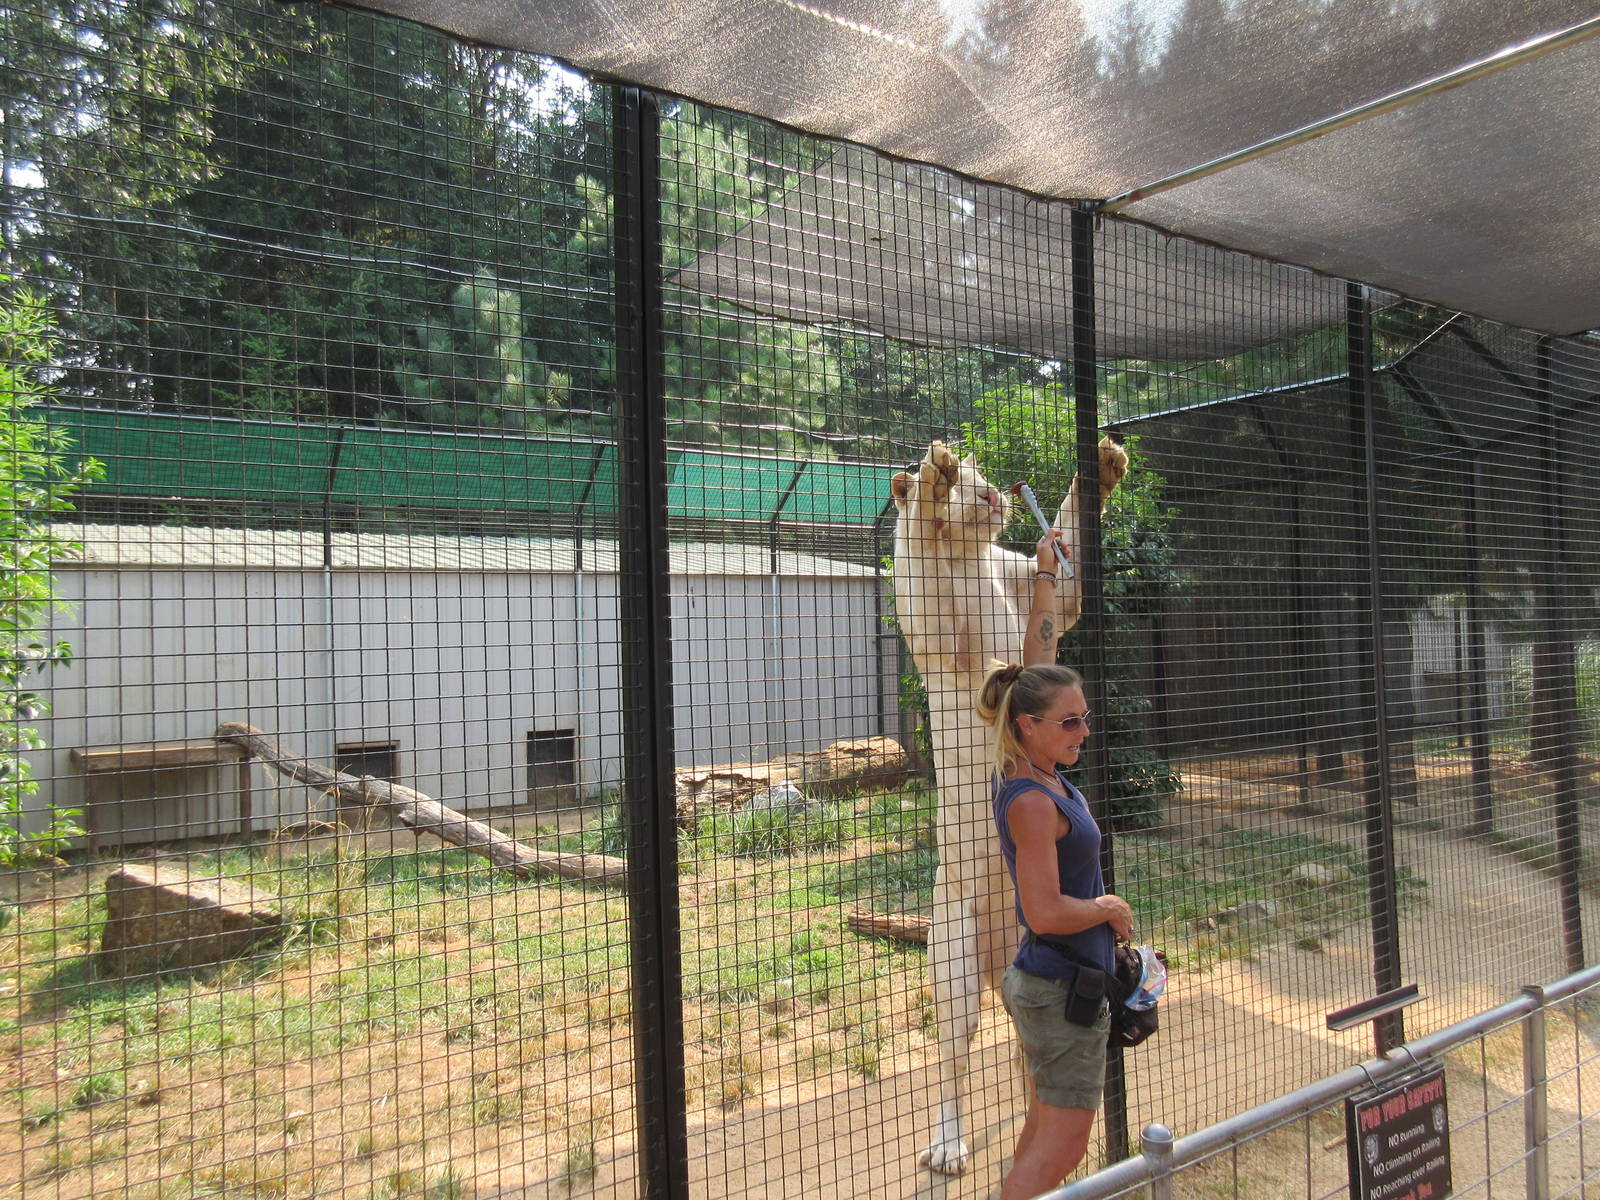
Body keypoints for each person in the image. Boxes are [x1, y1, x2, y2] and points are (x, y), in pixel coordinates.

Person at [976, 530, 1134, 1200]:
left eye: (1085, 718)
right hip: (1057, 988)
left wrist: (1044, 574)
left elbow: (1038, 666)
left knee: (1043, 1131)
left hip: (1054, 979)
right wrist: (1107, 908)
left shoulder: (1035, 763)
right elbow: (1043, 910)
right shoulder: (1031, 800)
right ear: (1027, 729)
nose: (1084, 731)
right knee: (1064, 1146)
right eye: (1069, 723)